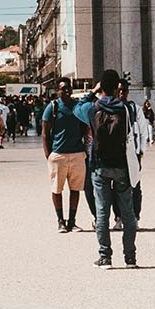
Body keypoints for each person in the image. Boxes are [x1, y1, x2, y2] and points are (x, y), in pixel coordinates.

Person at [80, 70, 140, 268]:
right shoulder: (126, 109)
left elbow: (77, 107)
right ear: (117, 88)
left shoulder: (92, 107)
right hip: (122, 165)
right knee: (128, 213)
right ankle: (130, 258)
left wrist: (93, 91)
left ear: (101, 87)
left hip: (100, 166)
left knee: (102, 212)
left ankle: (105, 256)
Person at [40, 81, 88, 233]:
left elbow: (84, 129)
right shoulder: (52, 107)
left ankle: (72, 221)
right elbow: (45, 132)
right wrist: (48, 155)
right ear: (58, 91)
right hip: (58, 154)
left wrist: (85, 150)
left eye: (68, 88)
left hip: (77, 153)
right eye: (63, 89)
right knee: (57, 189)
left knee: (75, 189)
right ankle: (60, 220)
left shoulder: (77, 106)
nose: (66, 91)